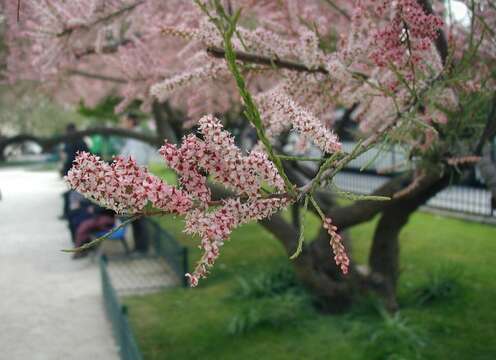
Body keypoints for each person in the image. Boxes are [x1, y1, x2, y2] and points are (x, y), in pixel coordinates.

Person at [120, 112, 153, 253]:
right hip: (133, 180)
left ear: (132, 121)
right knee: (135, 215)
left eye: (124, 120)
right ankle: (139, 245)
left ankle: (142, 246)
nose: (122, 124)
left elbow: (137, 160)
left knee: (138, 215)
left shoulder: (137, 139)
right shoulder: (132, 138)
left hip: (137, 181)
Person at [60, 123, 89, 219]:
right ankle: (70, 212)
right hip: (77, 171)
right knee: (74, 192)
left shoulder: (70, 142)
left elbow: (66, 157)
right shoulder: (80, 141)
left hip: (73, 171)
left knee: (73, 192)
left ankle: (70, 213)